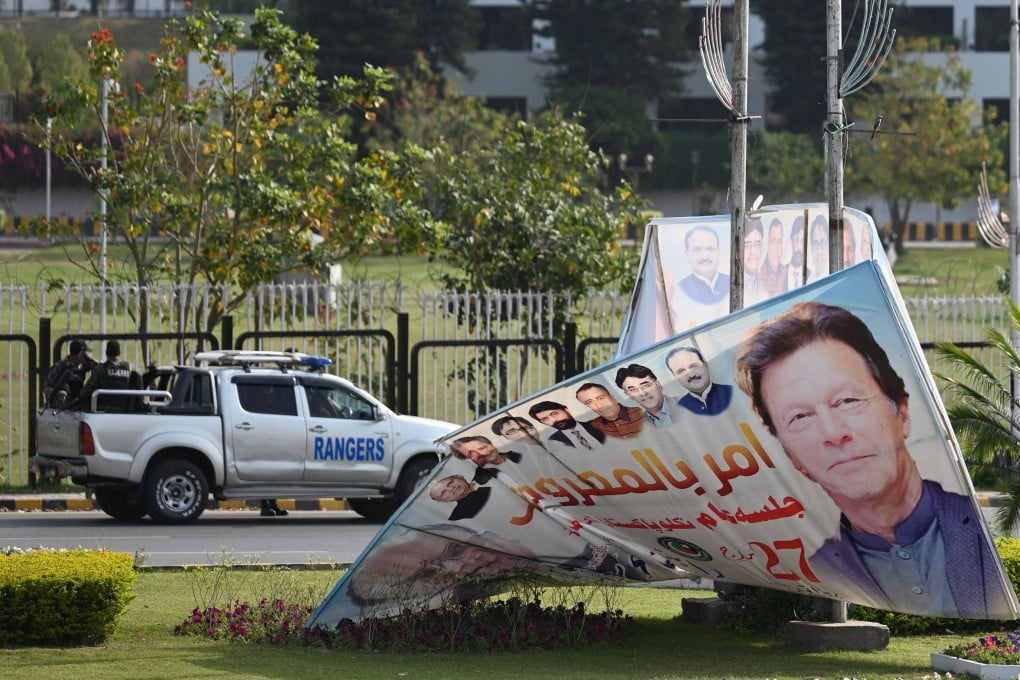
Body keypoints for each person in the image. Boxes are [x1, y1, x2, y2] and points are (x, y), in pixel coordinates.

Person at [734, 301, 1011, 618]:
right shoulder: (816, 570)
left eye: (848, 400)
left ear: (901, 413)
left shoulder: (983, 535)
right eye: (800, 417)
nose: (833, 433)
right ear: (792, 456)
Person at [665, 346, 733, 416]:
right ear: (675, 377)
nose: (691, 375)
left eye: (693, 366)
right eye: (681, 371)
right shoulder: (679, 411)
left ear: (705, 365)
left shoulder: (733, 392)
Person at [614, 363, 680, 428]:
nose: (642, 393)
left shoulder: (684, 403)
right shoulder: (639, 426)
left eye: (646, 385)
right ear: (629, 395)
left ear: (658, 385)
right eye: (633, 389)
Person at [677, 225, 730, 305]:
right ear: (687, 254)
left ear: (718, 252)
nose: (705, 256)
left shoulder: (733, 283)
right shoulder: (679, 290)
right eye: (697, 250)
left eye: (710, 249)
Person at [575, 381, 644, 439]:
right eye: (589, 402)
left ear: (612, 397)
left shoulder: (642, 413)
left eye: (601, 398)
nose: (599, 406)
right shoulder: (592, 427)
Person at [528, 400, 606, 450]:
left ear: (567, 411)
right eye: (545, 419)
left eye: (554, 414)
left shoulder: (601, 424)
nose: (553, 420)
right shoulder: (553, 443)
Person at [79, 340, 132, 408]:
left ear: (106, 352)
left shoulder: (100, 369)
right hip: (124, 408)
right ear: (119, 352)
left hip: (104, 408)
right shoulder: (128, 368)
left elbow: (84, 393)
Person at [44, 339, 97, 407]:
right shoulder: (60, 366)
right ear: (79, 354)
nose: (85, 356)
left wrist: (94, 361)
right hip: (61, 405)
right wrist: (58, 392)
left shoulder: (84, 364)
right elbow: (46, 388)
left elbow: (99, 367)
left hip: (78, 401)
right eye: (84, 353)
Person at [451, 435, 520, 484]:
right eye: (472, 454)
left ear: (491, 444)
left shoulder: (520, 454)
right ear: (469, 460)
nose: (482, 453)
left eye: (482, 448)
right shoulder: (480, 482)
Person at [759, 218, 789, 298]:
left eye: (779, 241)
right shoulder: (759, 273)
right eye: (773, 241)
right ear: (768, 243)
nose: (776, 248)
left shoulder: (787, 273)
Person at [742, 218, 764, 304]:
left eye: (757, 244)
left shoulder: (766, 281)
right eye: (747, 245)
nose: (753, 251)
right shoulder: (729, 285)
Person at [806, 215, 829, 283]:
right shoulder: (809, 280)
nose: (819, 252)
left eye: (823, 243)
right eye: (815, 244)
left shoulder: (833, 276)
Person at [787, 216, 807, 289]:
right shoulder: (781, 272)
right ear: (791, 241)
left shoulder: (811, 275)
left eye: (802, 241)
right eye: (796, 239)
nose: (798, 246)